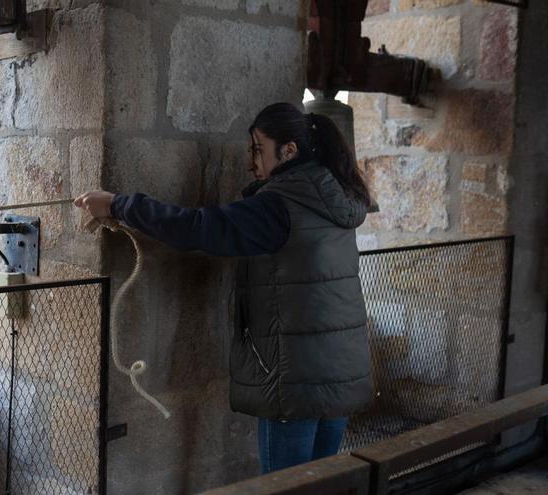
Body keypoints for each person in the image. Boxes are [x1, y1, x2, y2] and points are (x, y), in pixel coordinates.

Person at [73, 102, 375, 475]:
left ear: (289, 151)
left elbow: (198, 227)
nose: (252, 163)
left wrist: (119, 205)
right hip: (340, 373)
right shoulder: (335, 199)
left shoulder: (279, 206)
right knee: (323, 484)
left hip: (295, 380)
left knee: (285, 487)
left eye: (258, 150)